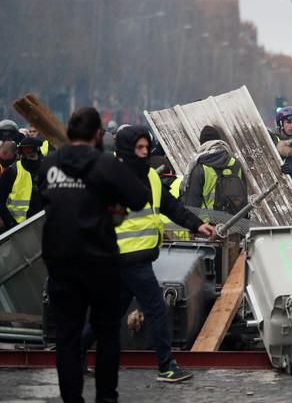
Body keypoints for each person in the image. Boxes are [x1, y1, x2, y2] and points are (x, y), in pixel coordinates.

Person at [81, 126, 214, 384]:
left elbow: (171, 207)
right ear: (126, 150)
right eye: (139, 148)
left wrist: (197, 225)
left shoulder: (151, 176)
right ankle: (166, 366)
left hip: (137, 258)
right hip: (127, 259)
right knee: (156, 310)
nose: (145, 152)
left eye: (146, 147)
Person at [39, 108, 150, 403]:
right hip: (99, 260)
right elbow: (139, 198)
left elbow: (48, 200)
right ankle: (105, 398)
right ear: (98, 134)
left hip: (60, 261)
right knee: (107, 333)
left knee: (67, 338)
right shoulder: (104, 164)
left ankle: (72, 399)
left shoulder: (49, 164)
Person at [182, 125, 247, 215]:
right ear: (219, 141)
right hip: (235, 220)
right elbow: (244, 195)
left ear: (202, 144)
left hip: (209, 222)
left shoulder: (200, 168)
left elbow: (192, 204)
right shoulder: (235, 163)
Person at [0, 137, 44, 229]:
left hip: (44, 222)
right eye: (24, 154)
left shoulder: (47, 168)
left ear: (38, 150)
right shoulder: (12, 171)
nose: (28, 157)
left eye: (31, 155)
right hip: (17, 227)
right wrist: (10, 223)